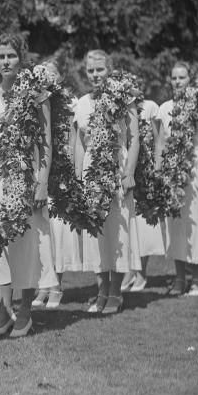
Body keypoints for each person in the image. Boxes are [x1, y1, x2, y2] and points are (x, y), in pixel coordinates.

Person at [0, 33, 58, 336]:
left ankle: (25, 310)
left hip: (27, 173)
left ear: (21, 58)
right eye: (1, 56)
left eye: (11, 55)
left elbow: (47, 142)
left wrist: (42, 183)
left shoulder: (35, 93)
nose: (6, 62)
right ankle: (4, 307)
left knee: (27, 244)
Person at [74, 50, 139, 314]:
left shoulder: (124, 98)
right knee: (96, 233)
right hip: (92, 171)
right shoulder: (81, 103)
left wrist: (129, 172)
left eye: (100, 69)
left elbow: (134, 139)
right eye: (91, 71)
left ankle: (115, 293)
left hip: (117, 167)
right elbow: (79, 142)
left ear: (109, 69)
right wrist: (79, 177)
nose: (95, 75)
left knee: (118, 230)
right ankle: (101, 290)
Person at [155, 62, 198, 298]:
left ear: (190, 79)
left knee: (193, 224)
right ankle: (179, 278)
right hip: (171, 169)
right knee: (174, 225)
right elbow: (159, 142)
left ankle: (197, 278)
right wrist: (158, 171)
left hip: (193, 165)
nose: (178, 81)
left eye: (182, 77)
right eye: (174, 78)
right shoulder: (164, 108)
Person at [32, 59, 81, 309]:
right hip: (41, 171)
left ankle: (57, 287)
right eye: (42, 74)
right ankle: (43, 285)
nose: (46, 77)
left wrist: (70, 172)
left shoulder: (68, 104)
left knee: (58, 232)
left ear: (58, 78)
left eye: (51, 74)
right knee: (43, 232)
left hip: (61, 171)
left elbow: (73, 139)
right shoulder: (36, 100)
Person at [123, 96, 166, 292]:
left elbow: (159, 138)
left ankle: (141, 274)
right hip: (127, 169)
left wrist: (157, 167)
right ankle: (129, 271)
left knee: (144, 225)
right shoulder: (117, 107)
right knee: (128, 225)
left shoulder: (151, 106)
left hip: (146, 171)